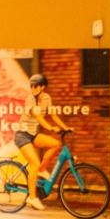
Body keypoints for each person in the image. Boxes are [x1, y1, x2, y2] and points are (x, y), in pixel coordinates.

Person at [17, 73, 71, 210]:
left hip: (33, 135)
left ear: (42, 87)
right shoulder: (30, 99)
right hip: (22, 135)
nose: (33, 89)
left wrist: (66, 128)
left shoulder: (47, 98)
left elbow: (53, 115)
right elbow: (38, 116)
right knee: (34, 163)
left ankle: (42, 169)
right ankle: (32, 197)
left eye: (35, 86)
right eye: (31, 86)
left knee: (55, 144)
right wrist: (51, 128)